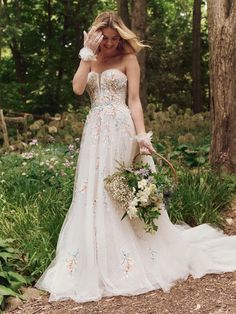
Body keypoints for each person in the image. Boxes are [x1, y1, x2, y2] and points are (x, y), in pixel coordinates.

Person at [35, 11, 236, 303]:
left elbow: (134, 101)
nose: (112, 44)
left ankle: (128, 254)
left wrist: (142, 138)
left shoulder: (129, 59)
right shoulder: (90, 56)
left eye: (116, 39)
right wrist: (86, 53)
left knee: (117, 188)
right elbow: (78, 89)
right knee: (91, 191)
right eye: (107, 39)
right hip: (94, 131)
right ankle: (96, 256)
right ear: (97, 37)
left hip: (121, 129)